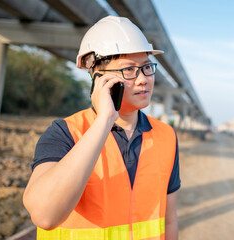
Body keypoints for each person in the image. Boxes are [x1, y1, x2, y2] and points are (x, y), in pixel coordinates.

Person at [23, 16, 180, 240]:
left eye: (147, 67)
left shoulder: (166, 136)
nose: (143, 79)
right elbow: (45, 215)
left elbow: (170, 219)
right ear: (99, 79)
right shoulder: (65, 132)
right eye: (128, 70)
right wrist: (105, 120)